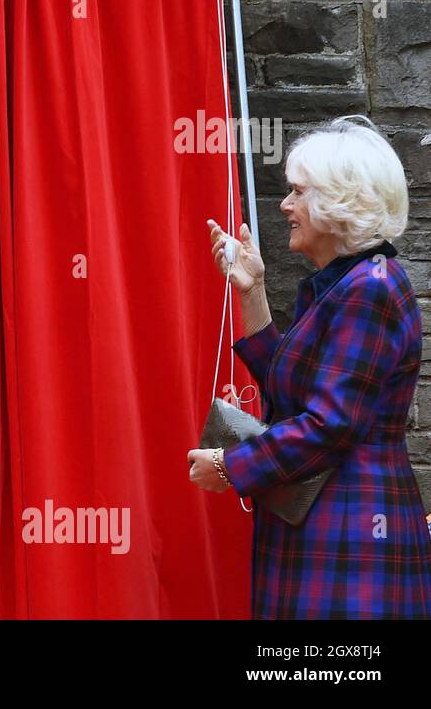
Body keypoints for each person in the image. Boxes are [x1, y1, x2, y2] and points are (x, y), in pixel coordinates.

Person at [188, 115, 431, 619]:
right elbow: (295, 383)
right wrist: (253, 290)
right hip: (328, 520)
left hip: (352, 530)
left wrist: (230, 466)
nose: (285, 206)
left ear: (338, 201)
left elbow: (330, 424)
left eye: (298, 192)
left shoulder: (370, 288)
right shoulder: (350, 282)